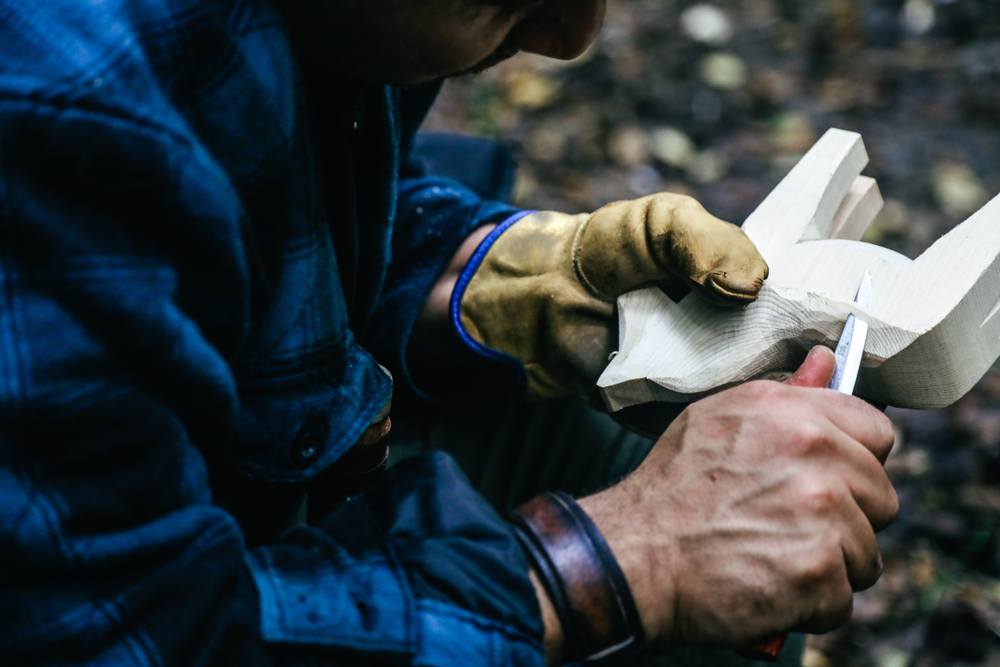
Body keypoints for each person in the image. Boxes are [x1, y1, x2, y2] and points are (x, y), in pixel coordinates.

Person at [0, 0, 898, 665]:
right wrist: (627, 553)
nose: (568, 33)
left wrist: (491, 278)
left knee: (665, 484)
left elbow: (275, 206)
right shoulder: (56, 110)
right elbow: (129, 633)